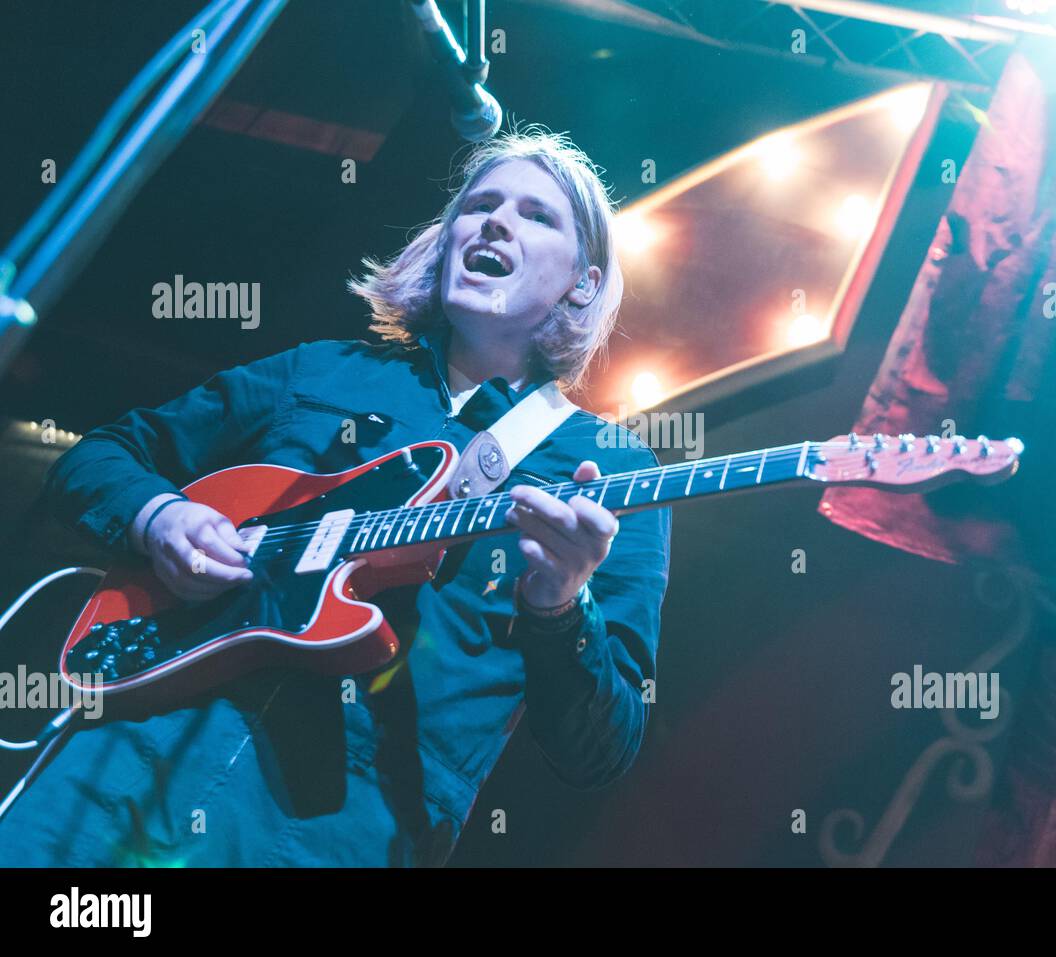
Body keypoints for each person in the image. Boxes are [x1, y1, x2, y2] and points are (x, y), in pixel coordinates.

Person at [0, 125, 671, 867]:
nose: (494, 222)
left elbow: (602, 748)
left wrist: (560, 606)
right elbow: (101, 456)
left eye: (535, 215)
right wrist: (161, 515)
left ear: (583, 280)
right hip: (121, 767)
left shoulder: (609, 472)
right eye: (480, 204)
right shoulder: (323, 373)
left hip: (327, 837)